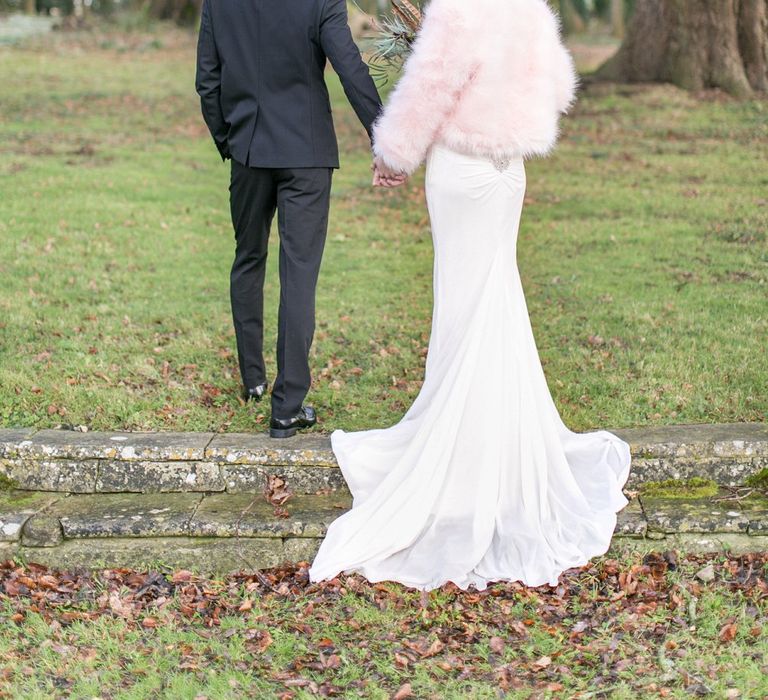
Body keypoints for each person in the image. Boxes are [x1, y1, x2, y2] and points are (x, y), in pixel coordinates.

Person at [310, 0, 632, 590]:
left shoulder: (458, 10)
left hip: (463, 169)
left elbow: (429, 89)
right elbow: (558, 87)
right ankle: (502, 454)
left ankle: (459, 463)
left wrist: (393, 155)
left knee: (465, 304)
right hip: (509, 171)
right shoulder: (530, 8)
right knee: (496, 295)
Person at [195, 0, 399, 438]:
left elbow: (207, 81)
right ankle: (286, 407)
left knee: (248, 257)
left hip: (248, 150)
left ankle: (253, 380)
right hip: (306, 153)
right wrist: (384, 138)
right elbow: (351, 69)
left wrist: (228, 140)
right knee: (299, 273)